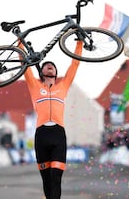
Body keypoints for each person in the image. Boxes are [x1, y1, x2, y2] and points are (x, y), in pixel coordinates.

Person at [22, 40, 83, 199]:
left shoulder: (62, 86)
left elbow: (75, 64)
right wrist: (20, 44)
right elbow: (24, 65)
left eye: (52, 65)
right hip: (41, 135)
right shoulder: (35, 86)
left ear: (56, 72)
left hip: (58, 134)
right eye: (45, 65)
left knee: (56, 177)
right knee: (47, 180)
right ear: (41, 72)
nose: (49, 66)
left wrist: (79, 42)